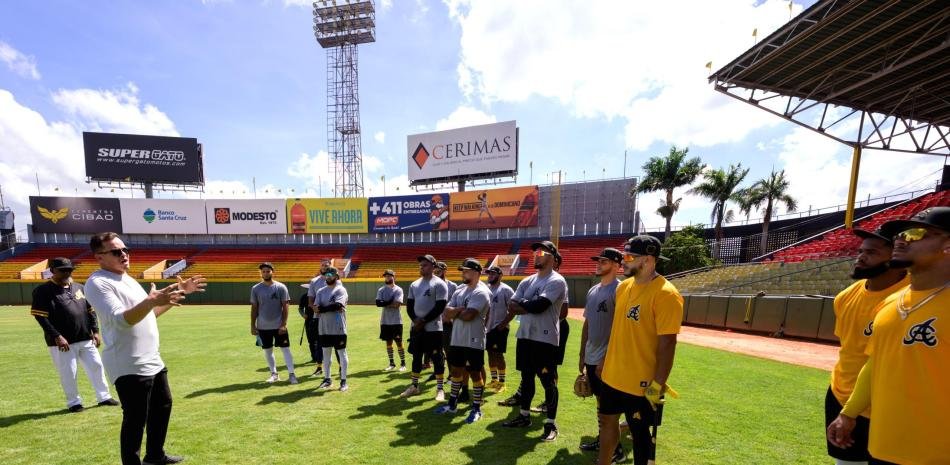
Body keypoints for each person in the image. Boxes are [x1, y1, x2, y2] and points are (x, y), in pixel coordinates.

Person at [828, 207, 950, 464]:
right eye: (902, 234)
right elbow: (875, 363)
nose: (902, 239)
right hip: (882, 449)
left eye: (917, 233)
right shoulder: (892, 303)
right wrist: (849, 413)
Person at [83, 232, 206, 465]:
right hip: (128, 362)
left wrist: (174, 296)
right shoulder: (98, 283)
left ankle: (155, 455)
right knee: (135, 417)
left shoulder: (128, 279)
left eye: (125, 250)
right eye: (116, 251)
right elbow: (121, 319)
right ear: (99, 257)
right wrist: (151, 301)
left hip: (152, 358)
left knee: (163, 406)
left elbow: (148, 315)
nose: (124, 254)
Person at [825, 228, 909, 464]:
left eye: (871, 252)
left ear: (898, 258)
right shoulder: (845, 297)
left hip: (887, 404)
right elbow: (849, 349)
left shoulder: (913, 296)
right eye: (861, 251)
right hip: (841, 394)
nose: (860, 257)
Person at [597, 235, 683, 465]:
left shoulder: (667, 294)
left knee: (640, 435)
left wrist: (657, 384)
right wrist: (605, 360)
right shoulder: (623, 287)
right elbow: (618, 329)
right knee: (606, 421)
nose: (622, 262)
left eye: (628, 257)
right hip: (612, 375)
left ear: (647, 260)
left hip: (641, 383)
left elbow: (668, 343)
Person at [31, 257, 118, 412]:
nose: (67, 272)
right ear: (52, 271)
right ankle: (74, 402)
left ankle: (104, 397)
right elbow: (41, 317)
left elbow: (90, 311)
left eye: (69, 269)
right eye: (62, 270)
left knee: (96, 366)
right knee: (69, 372)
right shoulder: (42, 291)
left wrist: (96, 331)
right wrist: (57, 336)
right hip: (62, 342)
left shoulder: (80, 287)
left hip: (85, 337)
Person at [501, 240, 568, 442]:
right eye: (535, 251)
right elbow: (512, 305)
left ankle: (550, 423)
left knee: (548, 382)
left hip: (545, 338)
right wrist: (527, 305)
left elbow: (540, 306)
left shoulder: (557, 280)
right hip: (525, 336)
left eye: (542, 251)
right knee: (526, 378)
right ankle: (524, 416)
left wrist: (524, 304)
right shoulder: (527, 281)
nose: (536, 254)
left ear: (553, 258)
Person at [577, 248, 624, 460]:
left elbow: (621, 329)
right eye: (598, 260)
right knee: (600, 404)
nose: (599, 264)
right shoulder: (593, 290)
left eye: (604, 261)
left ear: (616, 265)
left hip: (608, 360)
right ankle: (602, 439)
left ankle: (617, 451)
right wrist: (582, 354)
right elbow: (587, 323)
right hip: (591, 356)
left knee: (610, 411)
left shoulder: (621, 290)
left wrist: (606, 359)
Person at [434, 258, 492, 423]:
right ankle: (452, 404)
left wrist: (456, 311)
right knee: (456, 372)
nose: (463, 273)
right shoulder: (460, 289)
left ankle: (476, 408)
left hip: (474, 339)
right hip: (457, 338)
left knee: (475, 373)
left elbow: (469, 315)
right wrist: (460, 310)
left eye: (466, 271)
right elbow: (445, 312)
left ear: (476, 272)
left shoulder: (482, 291)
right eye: (462, 271)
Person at [399, 254, 448, 399]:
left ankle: (440, 389)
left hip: (434, 328)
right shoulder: (414, 284)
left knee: (437, 357)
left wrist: (423, 321)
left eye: (425, 265)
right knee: (416, 356)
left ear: (433, 266)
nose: (422, 267)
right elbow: (409, 306)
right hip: (416, 328)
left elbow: (440, 307)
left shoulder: (439, 284)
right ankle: (414, 386)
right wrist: (415, 321)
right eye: (420, 265)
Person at [250, 262, 297, 385]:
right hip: (263, 326)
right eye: (263, 271)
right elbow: (254, 308)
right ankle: (274, 374)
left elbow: (285, 306)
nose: (265, 273)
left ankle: (292, 374)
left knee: (286, 349)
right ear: (261, 273)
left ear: (272, 272)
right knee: (267, 351)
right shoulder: (256, 289)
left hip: (279, 326)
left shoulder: (281, 287)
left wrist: (283, 324)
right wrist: (252, 325)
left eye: (267, 271)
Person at [314, 266, 350, 391]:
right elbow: (316, 307)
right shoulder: (320, 291)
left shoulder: (340, 290)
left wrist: (324, 308)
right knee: (326, 355)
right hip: (324, 328)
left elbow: (338, 305)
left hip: (338, 327)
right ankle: (327, 379)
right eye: (326, 274)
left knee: (341, 353)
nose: (328, 277)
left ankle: (344, 381)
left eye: (330, 274)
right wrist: (330, 307)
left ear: (336, 276)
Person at [485, 265, 514, 392]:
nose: (490, 276)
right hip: (488, 328)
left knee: (498, 355)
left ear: (500, 275)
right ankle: (494, 380)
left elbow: (513, 309)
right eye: (489, 274)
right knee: (490, 353)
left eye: (493, 274)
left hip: (499, 328)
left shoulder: (506, 290)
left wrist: (503, 325)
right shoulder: (486, 289)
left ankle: (502, 382)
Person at [376, 269, 406, 371]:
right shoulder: (381, 290)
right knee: (388, 343)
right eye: (386, 276)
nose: (387, 278)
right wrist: (389, 302)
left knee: (399, 343)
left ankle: (403, 364)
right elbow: (378, 303)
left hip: (396, 321)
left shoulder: (398, 289)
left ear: (394, 277)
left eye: (389, 276)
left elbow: (397, 304)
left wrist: (384, 303)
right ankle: (392, 363)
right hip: (385, 321)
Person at [307, 259, 331, 375]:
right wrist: (313, 307)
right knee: (319, 342)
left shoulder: (336, 280)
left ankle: (341, 367)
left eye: (327, 266)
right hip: (318, 317)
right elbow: (310, 300)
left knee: (336, 343)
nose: (325, 267)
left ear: (330, 266)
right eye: (323, 265)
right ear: (320, 267)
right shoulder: (314, 281)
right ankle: (319, 367)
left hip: (332, 317)